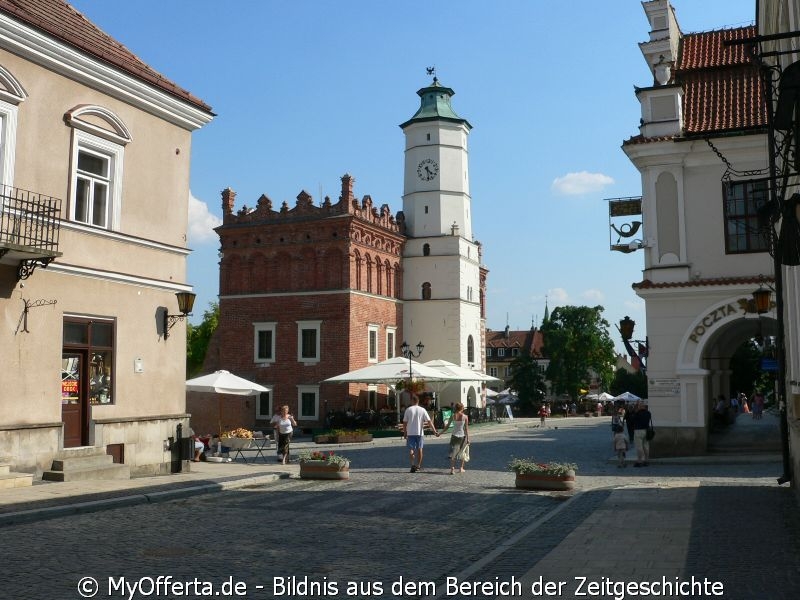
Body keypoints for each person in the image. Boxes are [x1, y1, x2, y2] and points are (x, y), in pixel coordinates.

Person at [401, 387, 439, 472]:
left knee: (411, 450)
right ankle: (418, 466)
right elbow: (429, 422)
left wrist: (405, 432)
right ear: (418, 401)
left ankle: (412, 464)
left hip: (410, 433)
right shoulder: (422, 410)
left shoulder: (408, 410)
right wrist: (434, 431)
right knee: (420, 449)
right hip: (419, 433)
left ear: (412, 401)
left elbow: (404, 423)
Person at [442, 402, 470, 474]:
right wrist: (468, 438)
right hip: (462, 436)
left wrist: (440, 433)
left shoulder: (453, 416)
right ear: (462, 408)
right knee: (463, 452)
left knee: (453, 453)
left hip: (454, 436)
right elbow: (466, 429)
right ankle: (461, 468)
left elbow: (447, 426)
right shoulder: (465, 417)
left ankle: (452, 469)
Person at [632, 401, 653, 467]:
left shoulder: (637, 413)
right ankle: (646, 460)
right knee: (646, 446)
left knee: (639, 447)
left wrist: (636, 410)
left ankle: (640, 461)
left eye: (639, 406)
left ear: (640, 407)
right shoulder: (648, 413)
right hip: (646, 430)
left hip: (638, 431)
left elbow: (633, 419)